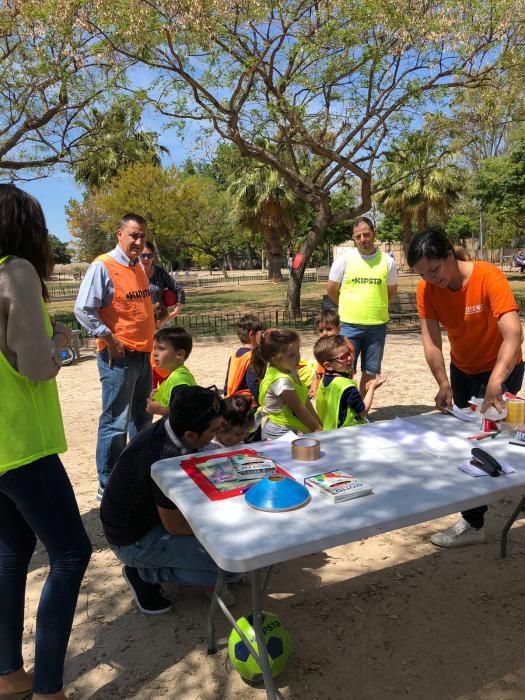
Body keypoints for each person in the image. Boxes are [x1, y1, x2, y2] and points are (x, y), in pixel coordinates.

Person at [0, 184, 92, 700]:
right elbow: (38, 367)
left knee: (11, 554)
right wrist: (64, 344)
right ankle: (50, 689)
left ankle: (10, 674)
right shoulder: (16, 271)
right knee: (72, 553)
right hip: (20, 442)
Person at [407, 227, 524, 548]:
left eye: (435, 269)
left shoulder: (488, 277)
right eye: (423, 274)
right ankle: (474, 522)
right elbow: (431, 342)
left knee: (497, 439)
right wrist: (442, 382)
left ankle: (490, 510)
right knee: (468, 442)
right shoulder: (427, 290)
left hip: (503, 365)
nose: (432, 279)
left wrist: (498, 380)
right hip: (463, 370)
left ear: (449, 256)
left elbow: (514, 334)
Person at [100, 385, 240, 614]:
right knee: (231, 566)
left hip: (146, 519)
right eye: (214, 430)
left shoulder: (174, 426)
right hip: (133, 540)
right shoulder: (165, 458)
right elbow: (175, 526)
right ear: (191, 435)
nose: (218, 434)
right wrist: (225, 528)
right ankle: (144, 573)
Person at [74, 213, 155, 499]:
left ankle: (138, 471)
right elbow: (83, 309)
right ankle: (107, 484)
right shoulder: (103, 266)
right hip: (119, 358)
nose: (138, 240)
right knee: (115, 422)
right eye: (133, 235)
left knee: (142, 418)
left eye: (142, 235)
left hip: (144, 355)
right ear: (119, 234)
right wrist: (108, 338)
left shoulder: (138, 267)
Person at [326, 217, 397, 394]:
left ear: (374, 234)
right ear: (354, 238)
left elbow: (391, 291)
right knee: (343, 371)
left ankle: (362, 414)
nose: (363, 239)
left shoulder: (387, 261)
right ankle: (344, 411)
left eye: (367, 234)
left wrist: (375, 306)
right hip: (350, 326)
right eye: (358, 236)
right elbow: (332, 290)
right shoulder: (344, 260)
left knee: (371, 372)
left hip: (377, 326)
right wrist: (346, 306)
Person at [252, 329, 322, 438]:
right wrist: (316, 428)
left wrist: (318, 422)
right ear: (275, 358)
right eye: (291, 355)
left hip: (288, 430)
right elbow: (298, 408)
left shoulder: (288, 369)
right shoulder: (281, 381)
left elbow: (304, 399)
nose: (298, 357)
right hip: (277, 434)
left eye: (298, 351)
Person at [314, 335, 386, 430]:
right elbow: (363, 411)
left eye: (349, 353)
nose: (349, 358)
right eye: (343, 357)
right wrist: (372, 388)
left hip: (328, 429)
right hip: (348, 432)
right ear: (328, 366)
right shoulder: (347, 386)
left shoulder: (325, 379)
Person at [146, 327, 196, 416]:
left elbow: (185, 412)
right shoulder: (174, 375)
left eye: (161, 348)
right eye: (154, 348)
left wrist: (159, 410)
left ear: (179, 354)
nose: (154, 353)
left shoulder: (179, 380)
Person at [224, 314, 266, 405]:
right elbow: (253, 383)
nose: (263, 336)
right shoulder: (253, 356)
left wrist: (226, 397)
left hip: (233, 401)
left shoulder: (234, 355)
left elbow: (228, 381)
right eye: (262, 333)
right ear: (252, 334)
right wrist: (262, 402)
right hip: (248, 404)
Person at [141, 240, 185, 318]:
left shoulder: (161, 273)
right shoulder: (131, 274)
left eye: (149, 255)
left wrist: (176, 311)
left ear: (153, 256)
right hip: (139, 321)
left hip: (159, 320)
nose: (146, 258)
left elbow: (179, 289)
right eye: (143, 255)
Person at [309, 309, 342, 398]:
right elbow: (319, 370)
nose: (325, 333)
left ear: (338, 329)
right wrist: (315, 385)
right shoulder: (321, 347)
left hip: (341, 383)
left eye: (329, 329)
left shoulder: (344, 346)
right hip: (326, 385)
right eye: (321, 330)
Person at [151, 302, 170, 390]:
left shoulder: (147, 331)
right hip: (159, 368)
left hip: (150, 368)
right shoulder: (160, 336)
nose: (165, 324)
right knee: (165, 392)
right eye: (164, 322)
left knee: (150, 394)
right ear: (158, 322)